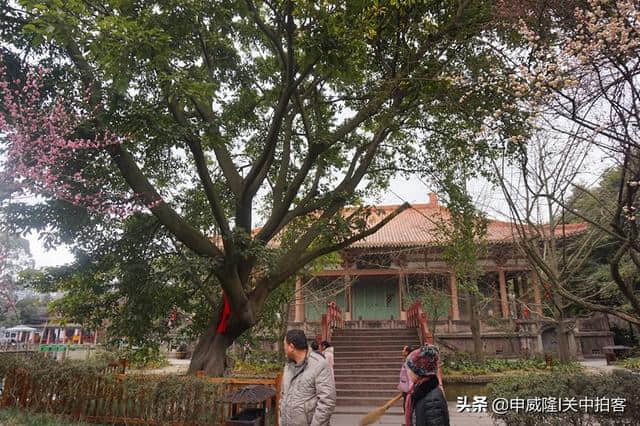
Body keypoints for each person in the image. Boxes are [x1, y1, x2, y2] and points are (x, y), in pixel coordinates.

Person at [280, 329, 336, 426]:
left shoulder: (319, 365)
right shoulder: (288, 367)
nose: (284, 348)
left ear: (291, 347)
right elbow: (283, 396)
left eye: (285, 345)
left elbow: (327, 401)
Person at [404, 345, 449, 426]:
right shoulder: (419, 391)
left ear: (419, 371)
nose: (408, 372)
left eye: (409, 369)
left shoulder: (432, 399)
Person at [398, 345, 414, 412]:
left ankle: (409, 422)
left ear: (407, 352)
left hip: (408, 388)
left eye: (404, 350)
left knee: (407, 406)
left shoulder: (409, 362)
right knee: (406, 405)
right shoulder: (407, 360)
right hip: (405, 387)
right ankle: (408, 421)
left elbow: (410, 376)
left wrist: (410, 389)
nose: (402, 351)